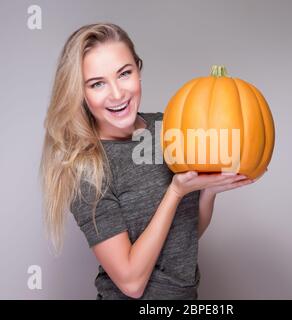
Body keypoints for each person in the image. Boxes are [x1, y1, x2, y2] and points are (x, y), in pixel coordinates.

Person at [39, 22, 265, 300]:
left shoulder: (171, 128)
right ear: (81, 94)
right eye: (97, 83)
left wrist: (207, 191)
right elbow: (131, 283)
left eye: (124, 74)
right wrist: (176, 191)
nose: (117, 94)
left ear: (138, 70)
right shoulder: (87, 167)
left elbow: (186, 235)